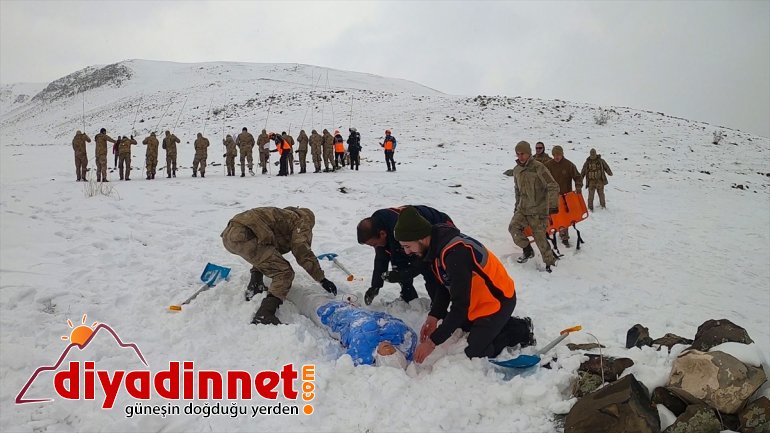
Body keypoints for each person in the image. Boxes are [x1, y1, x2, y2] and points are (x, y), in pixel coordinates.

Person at [393, 206, 535, 363]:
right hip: (477, 300)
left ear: (421, 238)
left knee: (474, 353)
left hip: (498, 300)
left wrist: (432, 343)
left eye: (407, 246)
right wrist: (434, 316)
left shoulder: (456, 254)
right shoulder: (434, 248)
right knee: (460, 327)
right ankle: (498, 325)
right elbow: (444, 286)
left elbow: (460, 305)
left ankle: (520, 329)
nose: (407, 252)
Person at [220, 206, 338, 325]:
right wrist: (322, 279)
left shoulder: (284, 217)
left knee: (266, 257)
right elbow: (302, 251)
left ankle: (255, 286)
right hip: (246, 235)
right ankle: (265, 314)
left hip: (229, 235)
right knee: (284, 273)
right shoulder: (302, 221)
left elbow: (268, 252)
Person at [288, 285, 416, 367]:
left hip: (331, 316)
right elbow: (409, 335)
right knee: (318, 295)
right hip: (352, 310)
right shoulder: (396, 334)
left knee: (307, 300)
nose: (388, 350)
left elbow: (348, 362)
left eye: (387, 356)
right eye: (393, 352)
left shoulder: (364, 352)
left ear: (379, 359)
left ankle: (287, 288)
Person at [357, 205, 452, 305]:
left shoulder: (402, 230)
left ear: (382, 234)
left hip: (441, 226)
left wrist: (402, 274)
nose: (375, 247)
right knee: (399, 264)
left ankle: (438, 306)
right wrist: (375, 286)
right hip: (413, 238)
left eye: (374, 244)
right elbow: (382, 258)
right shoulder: (379, 227)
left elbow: (423, 262)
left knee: (431, 270)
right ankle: (409, 298)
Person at [507, 140, 559, 272]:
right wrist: (516, 207)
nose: (520, 156)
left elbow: (553, 185)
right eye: (518, 154)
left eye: (522, 154)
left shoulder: (539, 167)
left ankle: (551, 263)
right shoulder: (517, 170)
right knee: (513, 228)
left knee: (540, 238)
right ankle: (527, 250)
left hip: (538, 210)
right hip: (522, 209)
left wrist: (552, 205)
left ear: (529, 153)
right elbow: (517, 190)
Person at [545, 145, 583, 247]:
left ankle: (564, 237)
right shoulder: (548, 165)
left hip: (565, 197)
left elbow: (578, 177)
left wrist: (578, 186)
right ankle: (552, 232)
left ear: (562, 154)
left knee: (564, 217)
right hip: (552, 197)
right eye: (554, 155)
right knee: (552, 217)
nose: (556, 156)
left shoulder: (569, 165)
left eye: (558, 154)